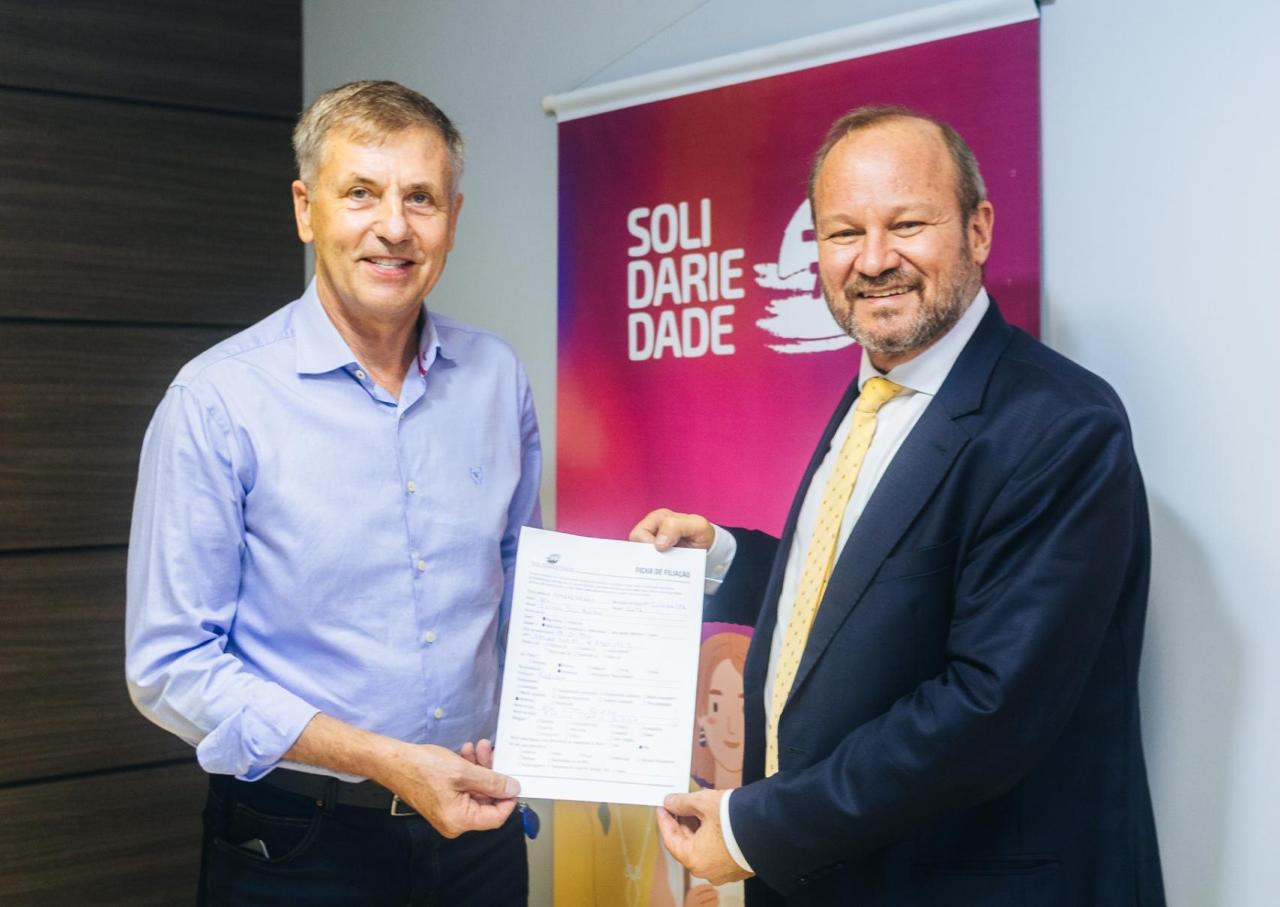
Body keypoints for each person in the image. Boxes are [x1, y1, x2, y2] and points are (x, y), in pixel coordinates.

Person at [632, 106, 1165, 905]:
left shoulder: (1061, 426)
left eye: (907, 224)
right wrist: (725, 559)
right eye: (844, 233)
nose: (875, 259)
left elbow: (987, 711)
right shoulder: (874, 393)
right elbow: (879, 592)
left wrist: (753, 828)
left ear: (978, 230)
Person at [125, 80, 541, 905]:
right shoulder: (217, 400)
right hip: (299, 843)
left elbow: (524, 588)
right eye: (360, 193)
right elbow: (170, 666)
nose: (394, 226)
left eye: (420, 197)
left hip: (476, 839)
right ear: (305, 209)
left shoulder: (498, 378)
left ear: (453, 216)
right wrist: (382, 759)